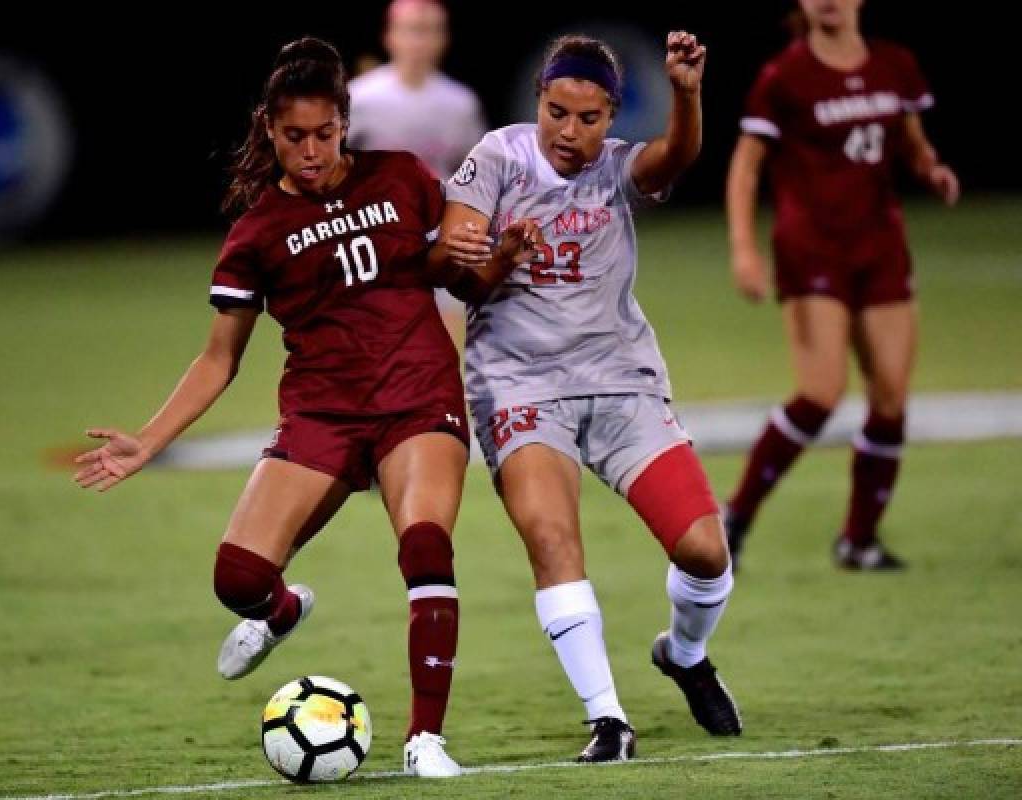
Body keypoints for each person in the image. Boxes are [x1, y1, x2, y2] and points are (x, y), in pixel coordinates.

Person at [73, 37, 470, 778]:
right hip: (322, 413)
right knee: (237, 580)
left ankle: (426, 739)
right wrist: (151, 440)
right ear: (268, 129)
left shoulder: (406, 179)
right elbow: (219, 356)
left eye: (324, 134)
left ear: (346, 122)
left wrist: (495, 258)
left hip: (417, 396)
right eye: (294, 137)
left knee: (424, 545)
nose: (311, 151)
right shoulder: (256, 233)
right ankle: (282, 611)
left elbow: (457, 271)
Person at [428, 31, 742, 763]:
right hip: (520, 384)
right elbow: (455, 273)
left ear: (612, 115)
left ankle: (686, 656)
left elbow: (676, 158)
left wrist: (689, 94)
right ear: (538, 99)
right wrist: (501, 255)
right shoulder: (497, 160)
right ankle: (608, 719)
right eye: (557, 112)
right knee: (552, 539)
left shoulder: (616, 168)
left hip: (620, 379)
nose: (571, 133)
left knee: (703, 551)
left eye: (590, 118)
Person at [723, 0, 960, 571]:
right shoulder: (785, 76)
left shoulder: (894, 65)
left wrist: (931, 167)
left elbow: (909, 139)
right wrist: (744, 249)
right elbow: (746, 166)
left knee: (890, 401)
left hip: (879, 248)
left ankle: (859, 540)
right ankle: (737, 516)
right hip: (811, 250)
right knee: (820, 394)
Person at [348, 0, 486, 179]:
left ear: (445, 38)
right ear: (389, 35)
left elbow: (478, 172)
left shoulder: (462, 103)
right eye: (412, 30)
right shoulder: (359, 97)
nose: (420, 42)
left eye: (431, 31)